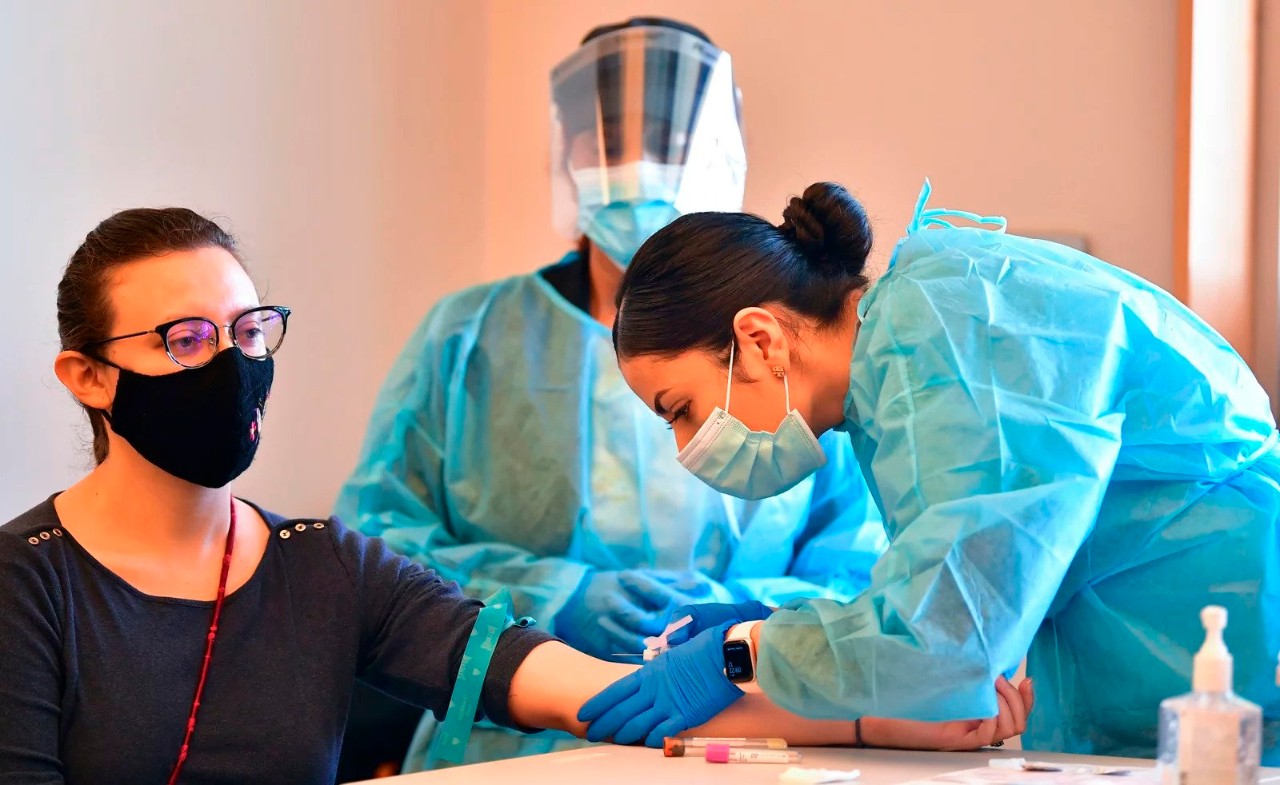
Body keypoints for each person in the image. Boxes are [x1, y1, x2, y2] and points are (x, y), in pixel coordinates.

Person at [0, 206, 1033, 784]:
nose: (229, 362)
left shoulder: (326, 567)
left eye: (246, 330)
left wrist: (886, 722)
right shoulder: (26, 586)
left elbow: (584, 691)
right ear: (87, 376)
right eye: (183, 340)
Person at [334, 17, 886, 769]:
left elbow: (864, 567)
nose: (638, 165)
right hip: (505, 743)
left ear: (717, 151)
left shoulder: (781, 347)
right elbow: (374, 549)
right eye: (611, 140)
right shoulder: (469, 336)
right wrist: (553, 594)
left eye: (665, 139)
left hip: (739, 733)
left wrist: (743, 620)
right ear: (569, 152)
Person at [583, 179, 1280, 763]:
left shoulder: (943, 328)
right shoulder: (892, 382)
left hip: (1237, 674)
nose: (686, 446)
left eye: (681, 408)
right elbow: (962, 587)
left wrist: (743, 651)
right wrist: (782, 623)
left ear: (759, 339)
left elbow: (950, 638)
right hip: (1146, 702)